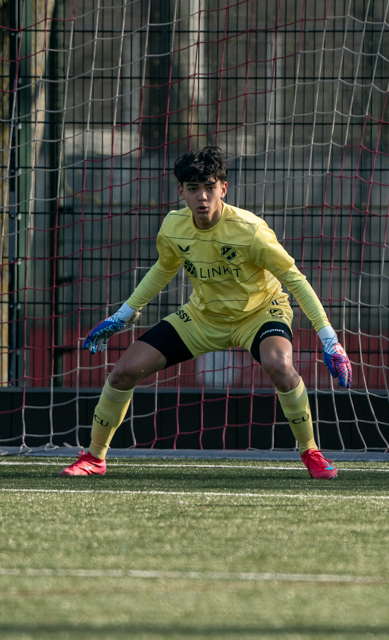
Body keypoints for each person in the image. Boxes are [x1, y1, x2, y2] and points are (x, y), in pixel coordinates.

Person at [61, 146, 352, 479]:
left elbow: (295, 281)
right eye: (193, 187)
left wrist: (330, 340)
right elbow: (163, 268)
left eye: (210, 187)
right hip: (202, 317)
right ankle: (94, 458)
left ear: (223, 189)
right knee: (124, 371)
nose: (202, 196)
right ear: (181, 191)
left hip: (259, 313)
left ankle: (311, 452)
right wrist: (124, 314)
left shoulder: (251, 231)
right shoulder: (173, 226)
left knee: (279, 365)